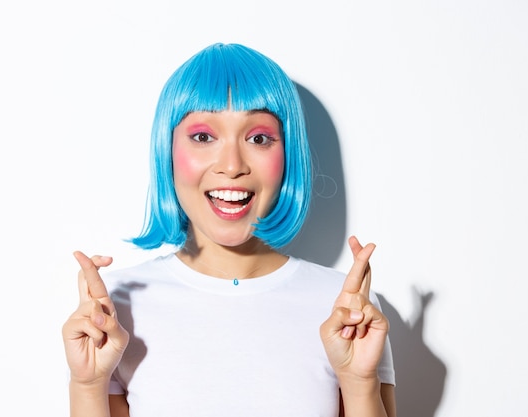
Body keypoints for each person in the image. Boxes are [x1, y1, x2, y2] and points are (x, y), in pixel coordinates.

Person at [62, 43, 397, 417]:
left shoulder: (343, 308)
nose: (232, 165)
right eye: (204, 137)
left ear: (289, 154)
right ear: (167, 151)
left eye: (258, 138)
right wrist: (88, 385)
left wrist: (359, 382)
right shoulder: (118, 306)